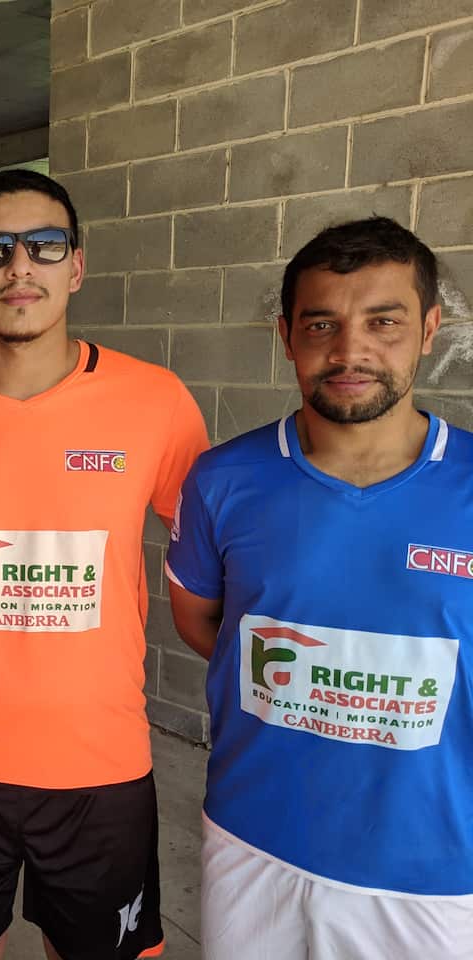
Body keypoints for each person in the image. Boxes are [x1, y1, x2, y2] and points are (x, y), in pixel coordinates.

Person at [0, 169, 208, 960]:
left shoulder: (156, 402)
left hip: (100, 758)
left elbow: (211, 547)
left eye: (45, 245)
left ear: (76, 266)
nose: (19, 265)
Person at [167, 217, 473, 959]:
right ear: (286, 335)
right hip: (252, 840)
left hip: (432, 871)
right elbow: (205, 625)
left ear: (429, 329)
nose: (349, 351)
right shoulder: (222, 478)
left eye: (383, 322)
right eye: (321, 324)